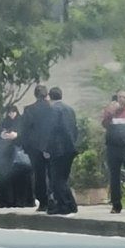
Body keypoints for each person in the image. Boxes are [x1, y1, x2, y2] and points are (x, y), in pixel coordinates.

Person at [21, 84, 55, 212]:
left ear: (35, 95)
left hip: (34, 147)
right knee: (52, 173)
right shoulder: (52, 108)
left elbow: (24, 130)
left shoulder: (29, 110)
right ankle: (53, 197)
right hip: (51, 146)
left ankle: (43, 202)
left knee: (39, 174)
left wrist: (25, 146)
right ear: (47, 95)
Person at [0, 105, 34, 208]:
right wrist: (2, 136)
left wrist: (16, 136)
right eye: (9, 112)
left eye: (13, 112)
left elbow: (27, 136)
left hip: (20, 157)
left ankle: (23, 201)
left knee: (22, 179)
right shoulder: (4, 123)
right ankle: (7, 201)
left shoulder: (22, 122)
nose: (11, 114)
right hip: (6, 157)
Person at [46, 87, 78, 215]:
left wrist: (47, 148)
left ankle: (63, 205)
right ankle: (71, 205)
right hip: (70, 148)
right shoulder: (70, 109)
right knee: (63, 178)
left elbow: (51, 131)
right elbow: (74, 128)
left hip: (58, 149)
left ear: (50, 96)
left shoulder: (53, 110)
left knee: (56, 178)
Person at [102, 88, 125, 214]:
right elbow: (104, 124)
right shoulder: (111, 112)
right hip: (113, 149)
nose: (122, 99)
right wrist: (110, 112)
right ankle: (116, 205)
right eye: (119, 97)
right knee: (114, 177)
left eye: (124, 97)